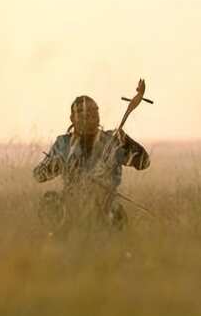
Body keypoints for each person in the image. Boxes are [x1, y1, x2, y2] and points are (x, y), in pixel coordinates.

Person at [33, 95, 150, 230]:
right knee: (51, 202)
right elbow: (39, 175)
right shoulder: (63, 144)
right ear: (72, 118)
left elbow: (144, 163)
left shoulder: (112, 141)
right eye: (84, 113)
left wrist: (128, 143)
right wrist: (56, 164)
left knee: (115, 221)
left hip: (107, 207)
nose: (90, 118)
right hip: (72, 208)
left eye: (94, 112)